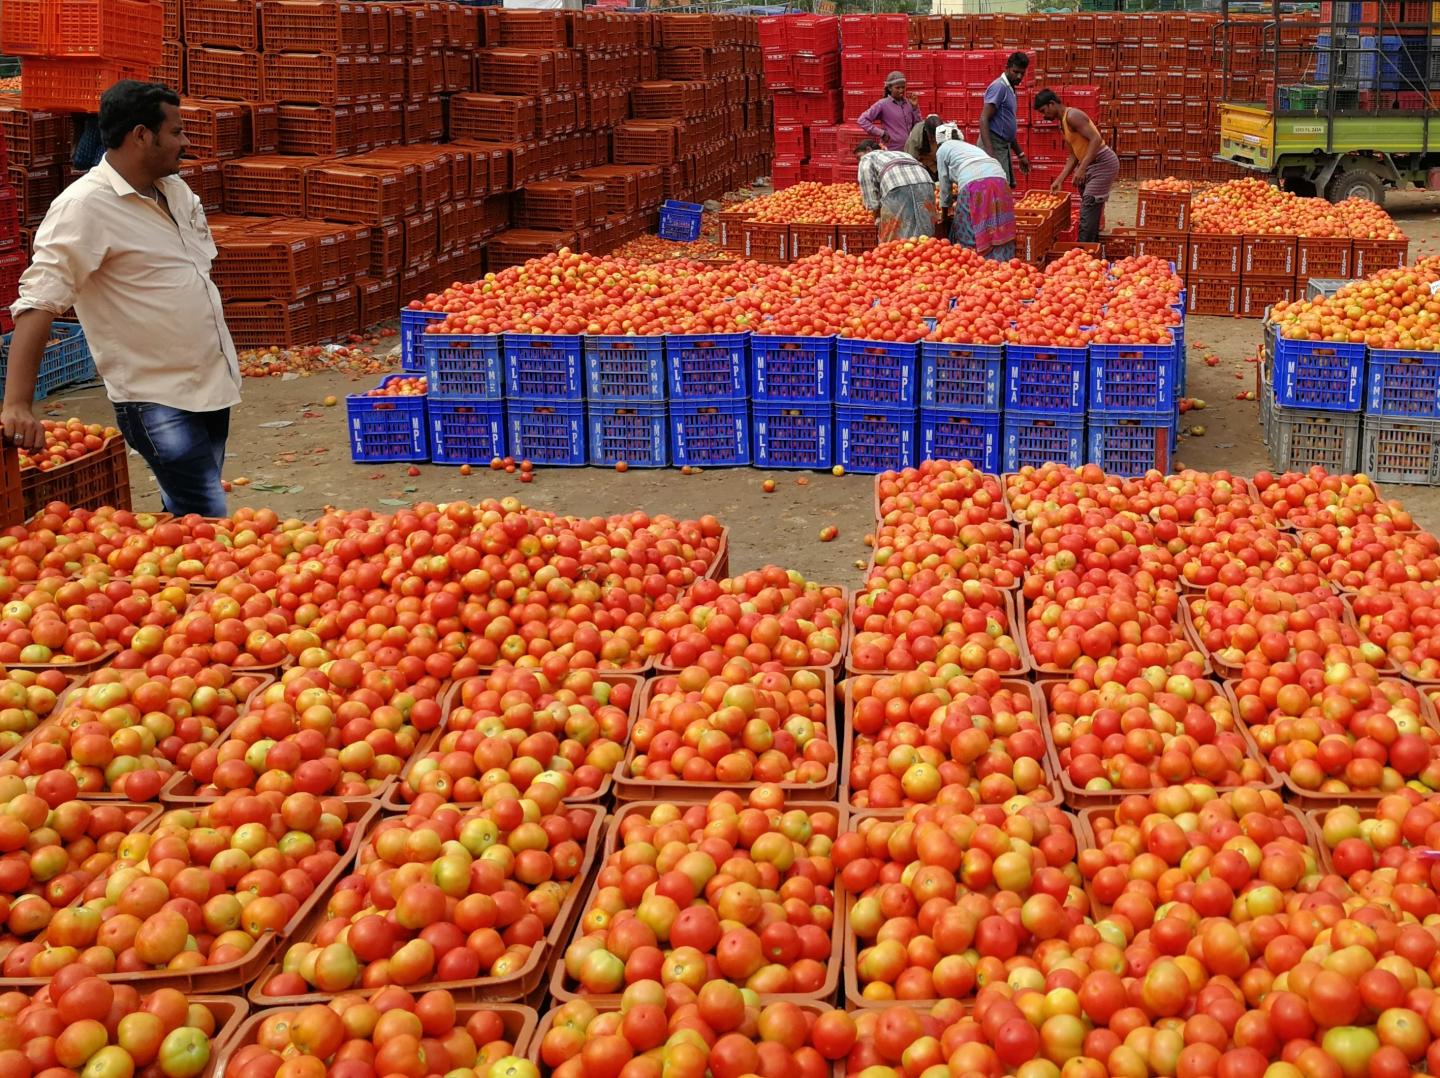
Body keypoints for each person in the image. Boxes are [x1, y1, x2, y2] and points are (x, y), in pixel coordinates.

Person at [4, 80, 240, 517]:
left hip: (211, 381)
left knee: (189, 515)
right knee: (208, 515)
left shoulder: (176, 192)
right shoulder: (84, 207)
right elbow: (40, 301)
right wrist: (17, 402)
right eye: (176, 132)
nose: (185, 143)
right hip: (155, 396)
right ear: (141, 136)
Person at [1034, 88, 1121, 243]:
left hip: (1103, 163)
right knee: (1091, 209)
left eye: (1043, 110)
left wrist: (1081, 169)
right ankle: (1092, 248)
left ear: (1052, 104)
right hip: (1091, 165)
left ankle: (1082, 252)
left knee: (1088, 205)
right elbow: (1073, 155)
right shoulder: (1063, 124)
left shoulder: (1073, 116)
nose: (1044, 116)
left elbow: (1095, 139)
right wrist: (1060, 180)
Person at [935, 124, 1016, 261]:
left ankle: (973, 263)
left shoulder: (942, 149)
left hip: (975, 185)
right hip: (1000, 180)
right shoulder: (968, 147)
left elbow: (944, 186)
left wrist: (944, 215)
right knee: (999, 225)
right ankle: (1004, 265)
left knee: (966, 226)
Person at [854, 140, 937, 243]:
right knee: (924, 225)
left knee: (894, 232)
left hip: (897, 184)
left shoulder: (868, 157)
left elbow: (868, 187)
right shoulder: (899, 153)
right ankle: (927, 254)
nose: (858, 161)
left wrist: (877, 216)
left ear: (868, 150)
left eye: (858, 157)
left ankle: (896, 256)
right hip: (925, 181)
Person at [979, 52, 1031, 187]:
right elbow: (984, 119)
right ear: (1006, 68)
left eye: (1022, 73)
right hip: (994, 144)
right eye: (1016, 72)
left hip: (1003, 145)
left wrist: (1020, 154)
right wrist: (990, 154)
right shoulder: (999, 87)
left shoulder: (1011, 89)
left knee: (1003, 188)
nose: (1019, 77)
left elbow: (1006, 127)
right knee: (997, 188)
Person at [857, 71, 922, 152]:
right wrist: (881, 133)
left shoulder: (909, 103)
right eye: (897, 88)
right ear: (890, 88)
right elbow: (862, 120)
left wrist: (915, 107)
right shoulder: (882, 104)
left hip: (909, 150)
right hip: (891, 151)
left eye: (903, 87)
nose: (901, 90)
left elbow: (918, 125)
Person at [904, 114, 944, 179]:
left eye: (936, 136)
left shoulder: (943, 131)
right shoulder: (916, 135)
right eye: (931, 136)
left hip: (933, 160)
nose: (933, 139)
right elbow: (911, 157)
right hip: (920, 158)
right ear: (926, 130)